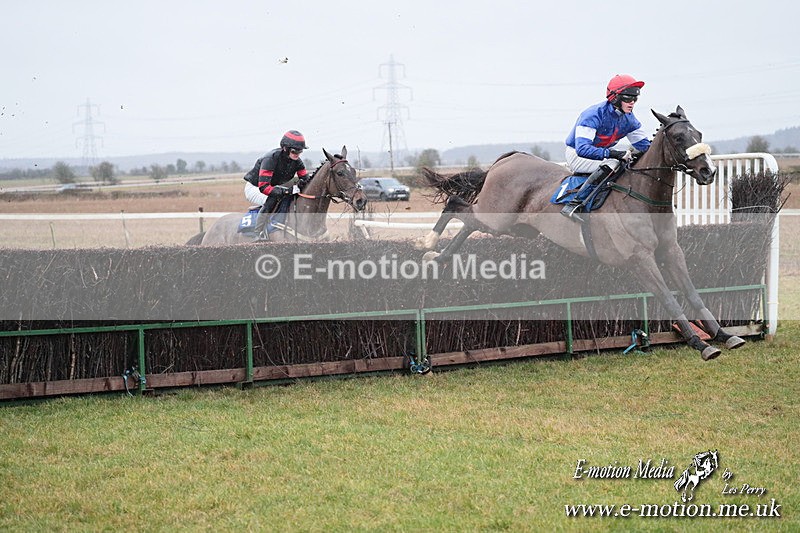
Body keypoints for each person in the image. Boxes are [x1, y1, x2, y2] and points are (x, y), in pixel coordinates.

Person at [561, 74, 651, 220]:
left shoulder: (629, 118)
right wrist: (613, 153)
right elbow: (582, 149)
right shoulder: (592, 115)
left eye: (635, 98)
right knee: (613, 162)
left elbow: (645, 146)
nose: (632, 102)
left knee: (629, 163)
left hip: (600, 156)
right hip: (577, 155)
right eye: (628, 98)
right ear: (615, 97)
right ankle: (574, 204)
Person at [243, 130, 309, 236]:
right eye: (294, 151)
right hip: (255, 188)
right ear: (285, 148)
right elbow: (264, 188)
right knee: (272, 199)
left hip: (274, 186)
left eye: (300, 151)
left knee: (295, 186)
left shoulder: (298, 162)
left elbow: (306, 180)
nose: (297, 154)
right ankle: (258, 233)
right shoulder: (270, 159)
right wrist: (287, 191)